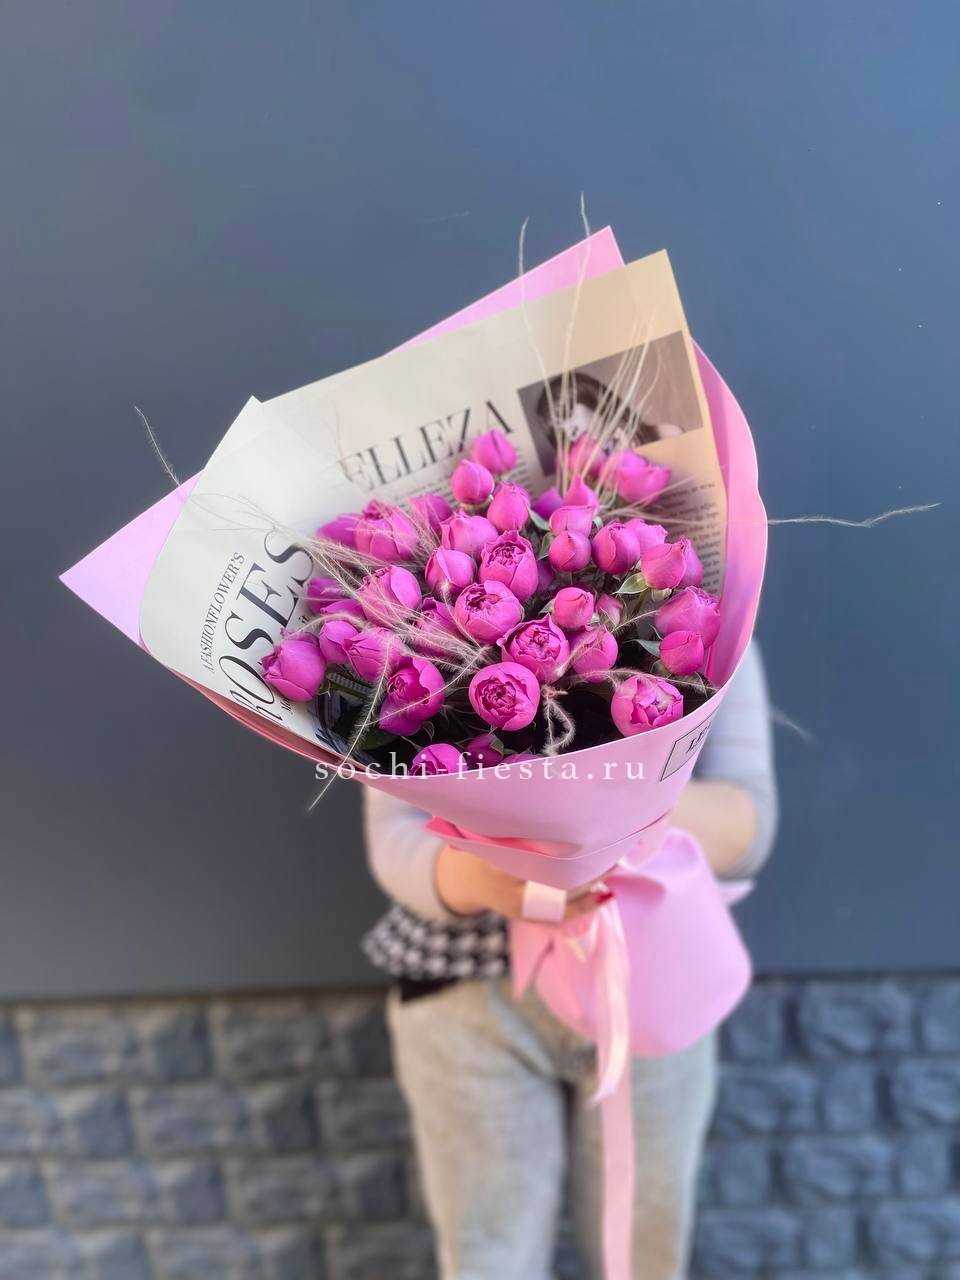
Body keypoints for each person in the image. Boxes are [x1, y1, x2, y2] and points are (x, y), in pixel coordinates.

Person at [363, 642, 777, 1280]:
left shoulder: (712, 628)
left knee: (642, 1253)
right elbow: (394, 837)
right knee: (489, 1259)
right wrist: (485, 876)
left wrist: (596, 808)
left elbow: (748, 824)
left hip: (648, 979)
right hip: (467, 995)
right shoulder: (404, 636)